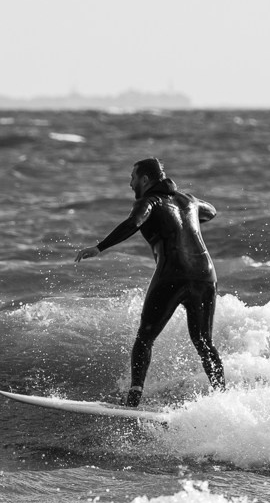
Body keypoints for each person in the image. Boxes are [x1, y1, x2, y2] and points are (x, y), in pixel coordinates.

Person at [75, 158, 225, 406]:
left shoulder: (148, 202)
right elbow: (211, 211)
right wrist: (189, 207)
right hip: (205, 275)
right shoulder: (189, 200)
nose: (130, 183)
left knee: (145, 338)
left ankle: (133, 401)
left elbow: (134, 223)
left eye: (133, 177)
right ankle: (222, 396)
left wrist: (99, 248)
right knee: (203, 342)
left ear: (145, 179)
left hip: (173, 274)